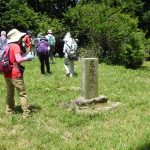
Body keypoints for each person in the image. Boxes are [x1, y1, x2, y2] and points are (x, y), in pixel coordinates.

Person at [4, 29, 34, 119]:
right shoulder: (16, 46)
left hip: (7, 72)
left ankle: (9, 111)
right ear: (17, 38)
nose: (21, 38)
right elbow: (19, 59)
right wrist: (28, 58)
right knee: (22, 93)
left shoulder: (6, 46)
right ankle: (26, 114)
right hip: (15, 73)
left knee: (10, 92)